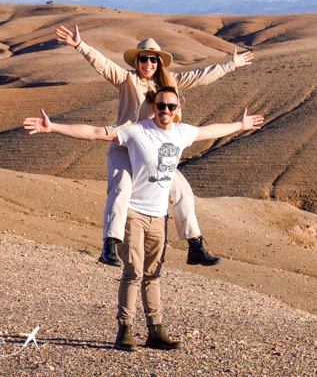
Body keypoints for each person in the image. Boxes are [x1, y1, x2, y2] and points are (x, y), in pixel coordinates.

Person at [23, 86, 264, 351]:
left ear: (177, 110)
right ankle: (124, 331)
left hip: (159, 217)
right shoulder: (138, 131)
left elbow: (211, 130)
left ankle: (155, 332)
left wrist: (241, 125)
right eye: (161, 106)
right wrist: (54, 127)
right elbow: (94, 133)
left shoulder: (183, 133)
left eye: (171, 107)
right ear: (154, 107)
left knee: (153, 274)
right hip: (134, 215)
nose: (166, 111)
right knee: (133, 274)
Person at [56, 25, 254, 267]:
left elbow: (199, 76)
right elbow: (104, 65)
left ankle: (194, 245)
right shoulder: (126, 79)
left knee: (182, 191)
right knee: (121, 189)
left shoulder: (169, 84)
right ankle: (109, 245)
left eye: (153, 59)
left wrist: (230, 65)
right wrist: (80, 46)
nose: (148, 63)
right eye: (143, 59)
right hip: (124, 145)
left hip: (154, 150)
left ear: (159, 62)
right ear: (137, 61)